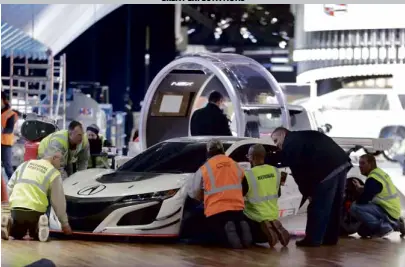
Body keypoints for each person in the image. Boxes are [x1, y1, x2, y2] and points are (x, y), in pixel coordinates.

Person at [271, 127, 351, 247]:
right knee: (334, 206)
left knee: (319, 206)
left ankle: (313, 240)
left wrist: (308, 193)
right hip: (341, 163)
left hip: (327, 169)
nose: (277, 145)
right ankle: (330, 239)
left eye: (276, 140)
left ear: (283, 134)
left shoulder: (291, 141)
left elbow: (297, 170)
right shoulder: (301, 137)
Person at [187, 139, 252, 249]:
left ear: (208, 152)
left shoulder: (205, 168)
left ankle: (228, 232)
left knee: (208, 234)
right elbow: (245, 188)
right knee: (236, 220)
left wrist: (203, 199)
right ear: (222, 150)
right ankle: (241, 227)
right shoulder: (235, 164)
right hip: (237, 208)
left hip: (215, 210)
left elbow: (194, 192)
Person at [1, 150, 72, 242]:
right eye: (61, 161)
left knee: (17, 234)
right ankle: (39, 226)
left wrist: (9, 208)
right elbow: (59, 202)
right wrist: (65, 224)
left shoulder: (24, 165)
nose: (61, 165)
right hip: (36, 211)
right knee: (35, 234)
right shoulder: (53, 173)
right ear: (54, 158)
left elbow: (10, 187)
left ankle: (9, 224)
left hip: (16, 208)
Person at [243, 144, 290, 247]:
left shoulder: (248, 175)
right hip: (272, 213)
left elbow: (239, 196)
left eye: (248, 156)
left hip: (255, 217)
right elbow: (278, 193)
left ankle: (266, 226)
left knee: (238, 214)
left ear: (253, 157)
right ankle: (273, 224)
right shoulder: (275, 171)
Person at [349, 154, 405, 238]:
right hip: (392, 209)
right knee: (362, 231)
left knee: (354, 207)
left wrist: (351, 202)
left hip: (387, 210)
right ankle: (397, 224)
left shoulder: (373, 179)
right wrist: (361, 188)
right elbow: (374, 190)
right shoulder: (378, 173)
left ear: (370, 164)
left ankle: (382, 228)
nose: (360, 166)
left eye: (363, 163)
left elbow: (363, 200)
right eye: (359, 163)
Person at [1, 92, 18, 179]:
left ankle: (14, 185)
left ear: (3, 100)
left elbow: (9, 129)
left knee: (7, 166)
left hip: (5, 144)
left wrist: (1, 129)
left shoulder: (10, 114)